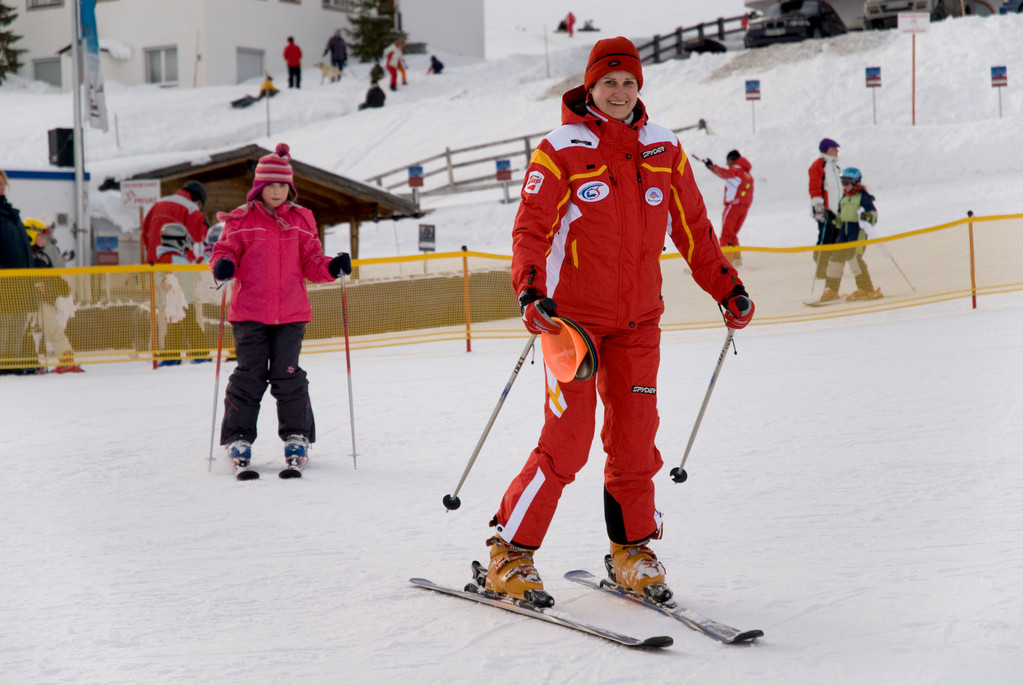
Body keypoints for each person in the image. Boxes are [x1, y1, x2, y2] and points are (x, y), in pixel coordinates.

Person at [483, 37, 755, 607]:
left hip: (638, 322)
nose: (619, 92)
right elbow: (531, 229)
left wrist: (726, 288)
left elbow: (695, 232)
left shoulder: (664, 149)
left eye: (629, 83)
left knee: (635, 442)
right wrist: (531, 290)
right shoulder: (561, 149)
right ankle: (509, 553)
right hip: (571, 323)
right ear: (590, 86)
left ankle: (631, 549)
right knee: (568, 442)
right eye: (609, 83)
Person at [210, 143, 352, 474]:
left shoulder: (302, 220)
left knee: (288, 376)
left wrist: (332, 267)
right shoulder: (241, 219)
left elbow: (312, 262)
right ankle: (239, 438)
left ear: (290, 188)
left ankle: (297, 436)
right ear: (259, 188)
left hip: (290, 314)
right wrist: (224, 265)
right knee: (250, 376)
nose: (277, 191)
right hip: (249, 314)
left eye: (282, 185)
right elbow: (224, 250)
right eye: (271, 185)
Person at [24, 218, 82, 373]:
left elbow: (52, 278)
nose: (44, 240)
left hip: (43, 301)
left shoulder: (44, 257)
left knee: (53, 329)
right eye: (41, 236)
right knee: (26, 334)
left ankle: (66, 360)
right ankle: (32, 364)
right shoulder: (23, 255)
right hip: (25, 301)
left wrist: (55, 291)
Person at [821, 167, 882, 302]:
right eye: (842, 182)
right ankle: (831, 290)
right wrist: (832, 217)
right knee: (835, 260)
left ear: (855, 182)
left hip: (857, 234)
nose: (844, 185)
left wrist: (868, 216)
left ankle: (865, 289)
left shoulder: (863, 197)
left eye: (847, 182)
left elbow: (873, 215)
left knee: (854, 259)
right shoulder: (844, 198)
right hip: (843, 234)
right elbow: (840, 220)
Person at [0, 169, 40, 375]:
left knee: (17, 326)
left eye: (2, 183)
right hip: (3, 281)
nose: (1, 186)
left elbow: (23, 248)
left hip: (20, 281)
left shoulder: (12, 213)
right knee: (3, 326)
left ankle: (13, 364)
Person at [154, 222, 209, 366]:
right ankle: (175, 356)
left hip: (183, 300)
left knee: (188, 327)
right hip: (177, 301)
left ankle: (193, 355)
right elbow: (162, 277)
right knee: (179, 329)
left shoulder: (176, 256)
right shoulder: (168, 257)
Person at [704, 150, 754, 265]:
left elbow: (724, 173)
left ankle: (724, 263)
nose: (727, 164)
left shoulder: (736, 169)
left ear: (732, 159)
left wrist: (711, 166)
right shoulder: (747, 174)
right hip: (744, 208)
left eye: (728, 161)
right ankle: (736, 260)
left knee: (726, 235)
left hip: (733, 206)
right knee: (732, 234)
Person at [141, 180, 209, 263]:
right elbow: (198, 237)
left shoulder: (159, 203)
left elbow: (145, 233)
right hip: (177, 263)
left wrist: (152, 251)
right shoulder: (191, 209)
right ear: (198, 201)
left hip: (153, 261)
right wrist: (205, 225)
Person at [808, 137, 842, 288]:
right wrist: (820, 210)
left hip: (836, 212)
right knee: (825, 239)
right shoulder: (819, 165)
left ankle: (827, 266)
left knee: (834, 240)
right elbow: (815, 188)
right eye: (835, 149)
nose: (837, 152)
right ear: (827, 150)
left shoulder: (835, 167)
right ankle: (821, 269)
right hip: (825, 211)